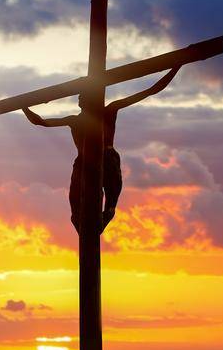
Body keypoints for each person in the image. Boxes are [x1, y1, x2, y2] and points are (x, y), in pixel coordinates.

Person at [22, 64, 183, 233]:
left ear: (93, 97)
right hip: (84, 161)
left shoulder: (109, 111)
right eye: (79, 96)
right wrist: (23, 106)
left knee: (111, 198)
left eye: (83, 95)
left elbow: (150, 91)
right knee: (75, 202)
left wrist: (176, 67)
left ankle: (103, 218)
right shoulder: (75, 121)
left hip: (107, 157)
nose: (79, 98)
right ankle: (83, 225)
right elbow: (41, 121)